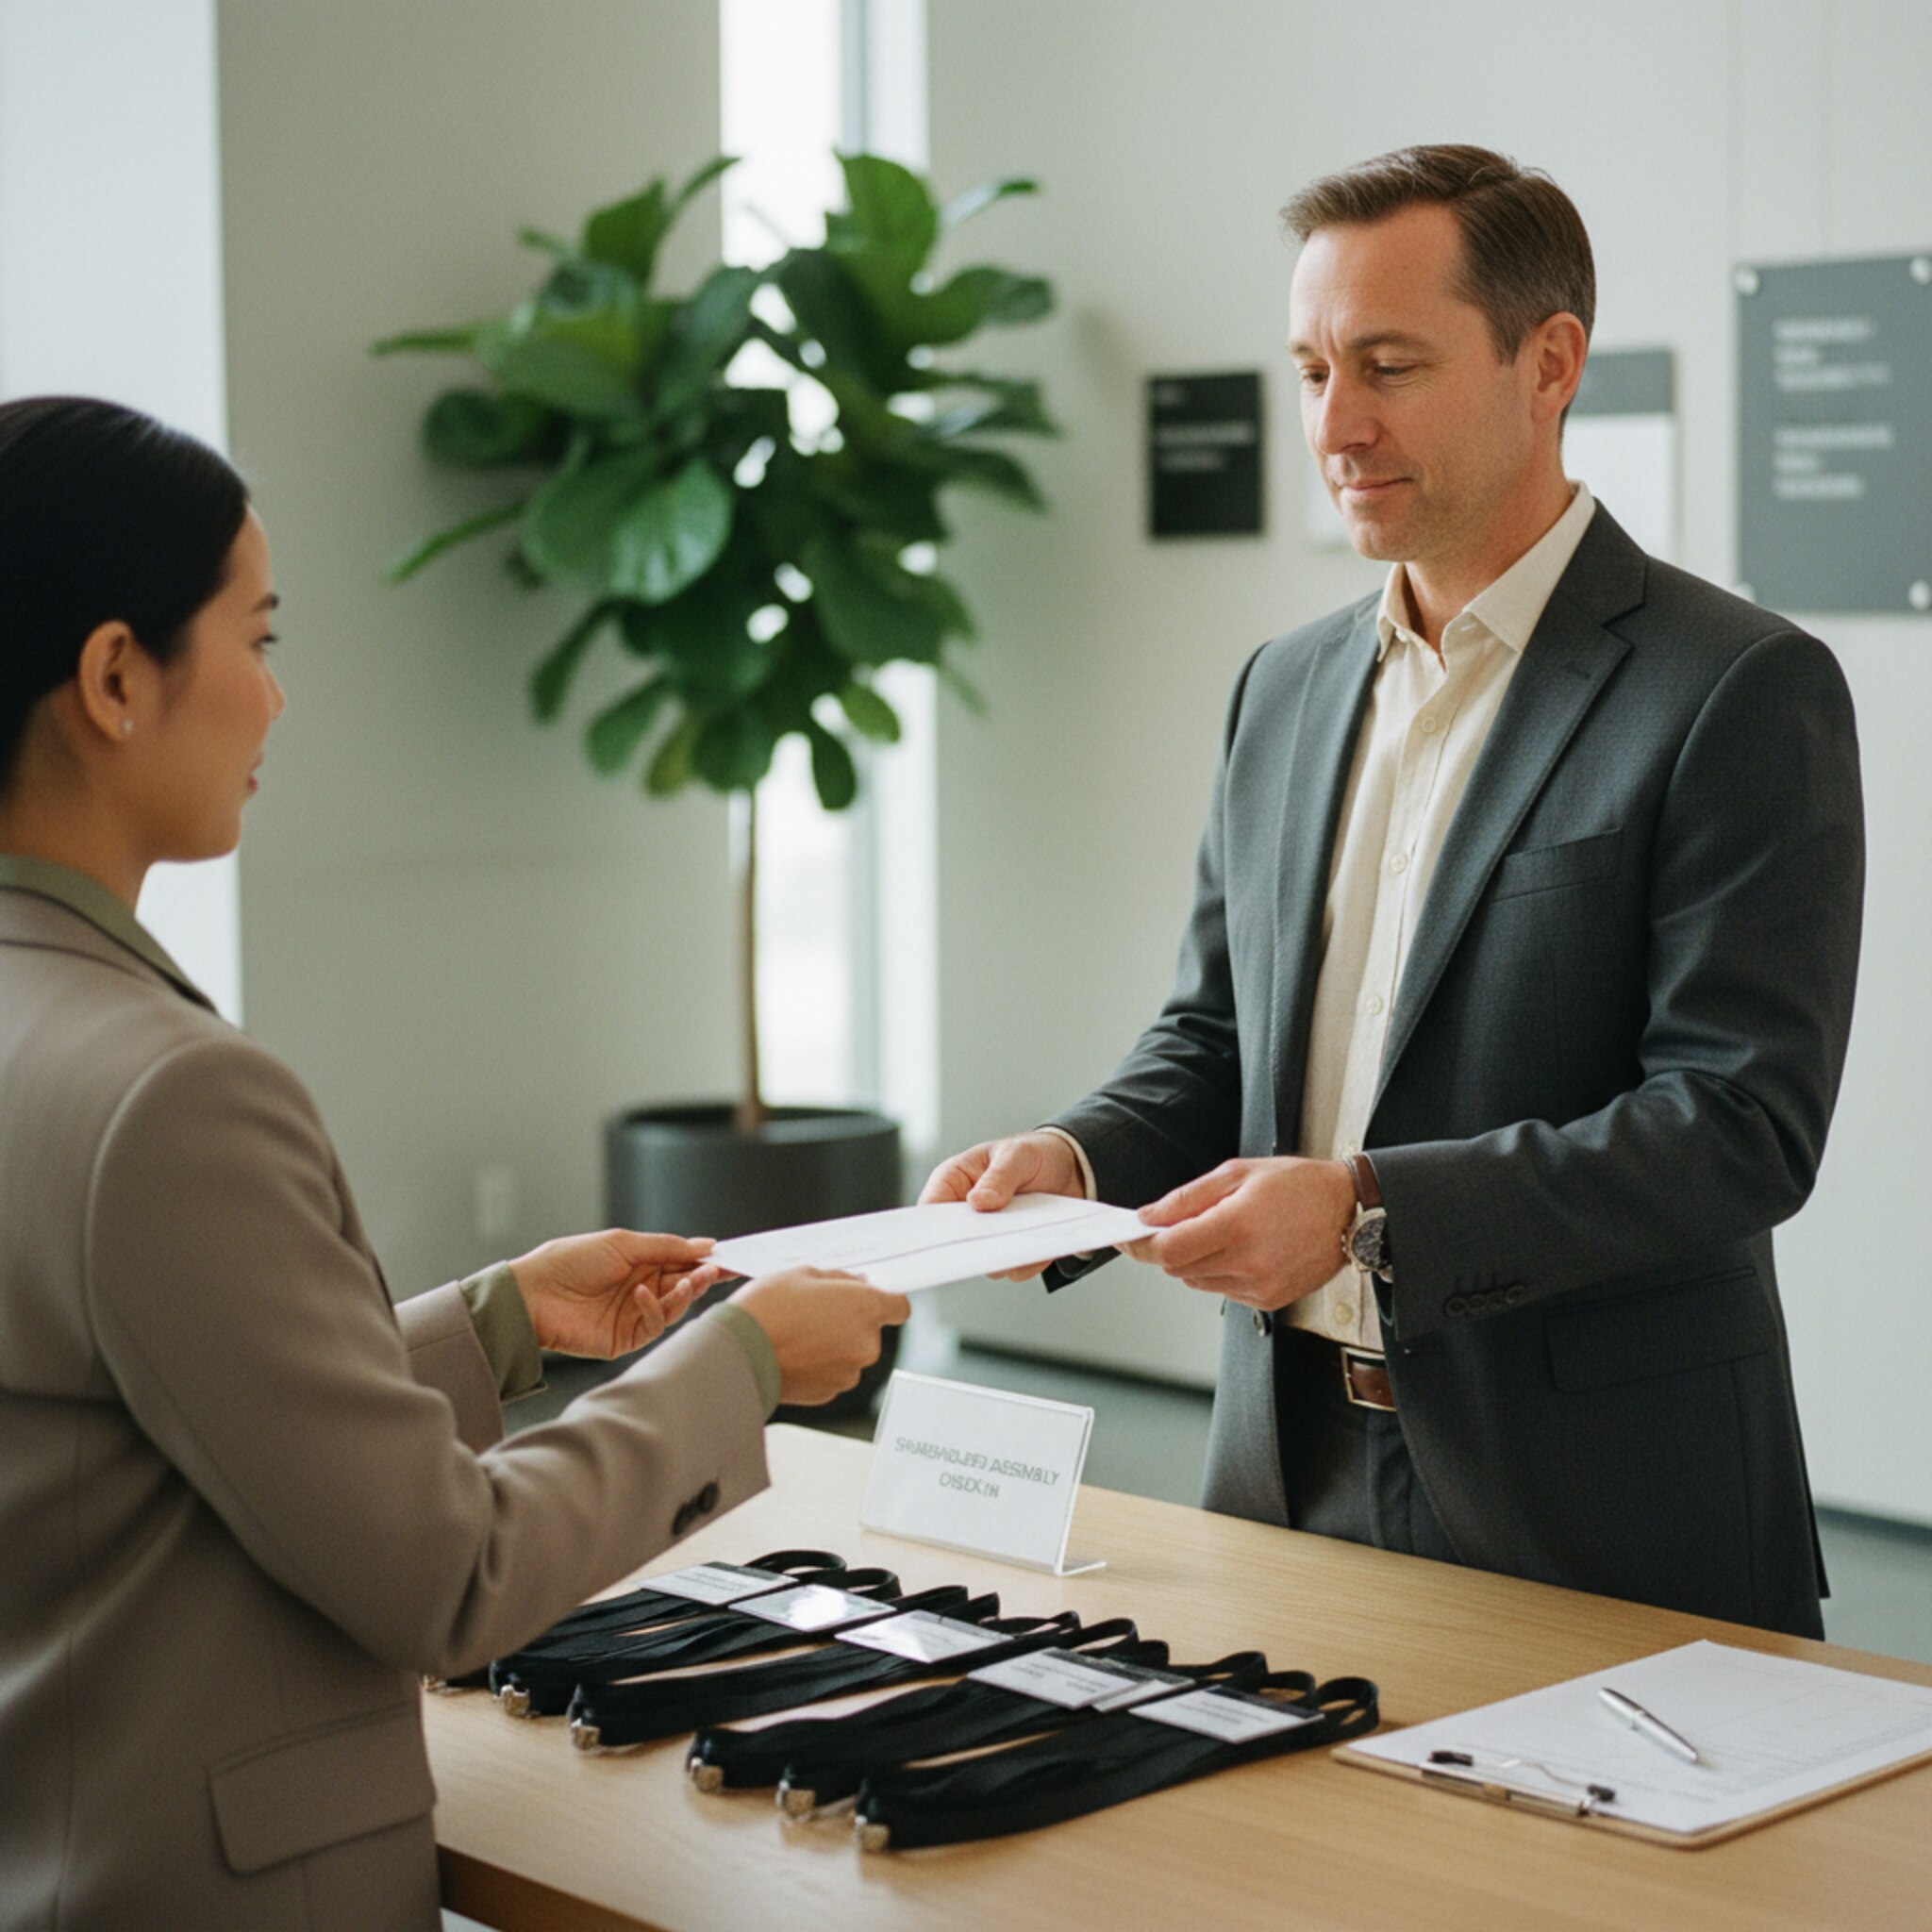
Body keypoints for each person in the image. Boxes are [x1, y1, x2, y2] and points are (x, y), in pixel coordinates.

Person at [924, 145, 1863, 1640]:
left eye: (1389, 367)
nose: (1336, 426)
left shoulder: (1736, 688)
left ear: (1548, 363)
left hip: (1596, 1503)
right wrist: (1075, 1159)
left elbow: (1741, 1129)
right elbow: (1219, 1035)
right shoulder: (1282, 689)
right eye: (1310, 371)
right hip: (1283, 1470)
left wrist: (1365, 1215)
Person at [0, 394, 909, 1932]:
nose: (278, 704)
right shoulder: (170, 1096)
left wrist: (501, 1324)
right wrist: (740, 1363)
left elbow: (157, 1433)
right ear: (112, 676)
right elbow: (447, 1577)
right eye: (260, 638)